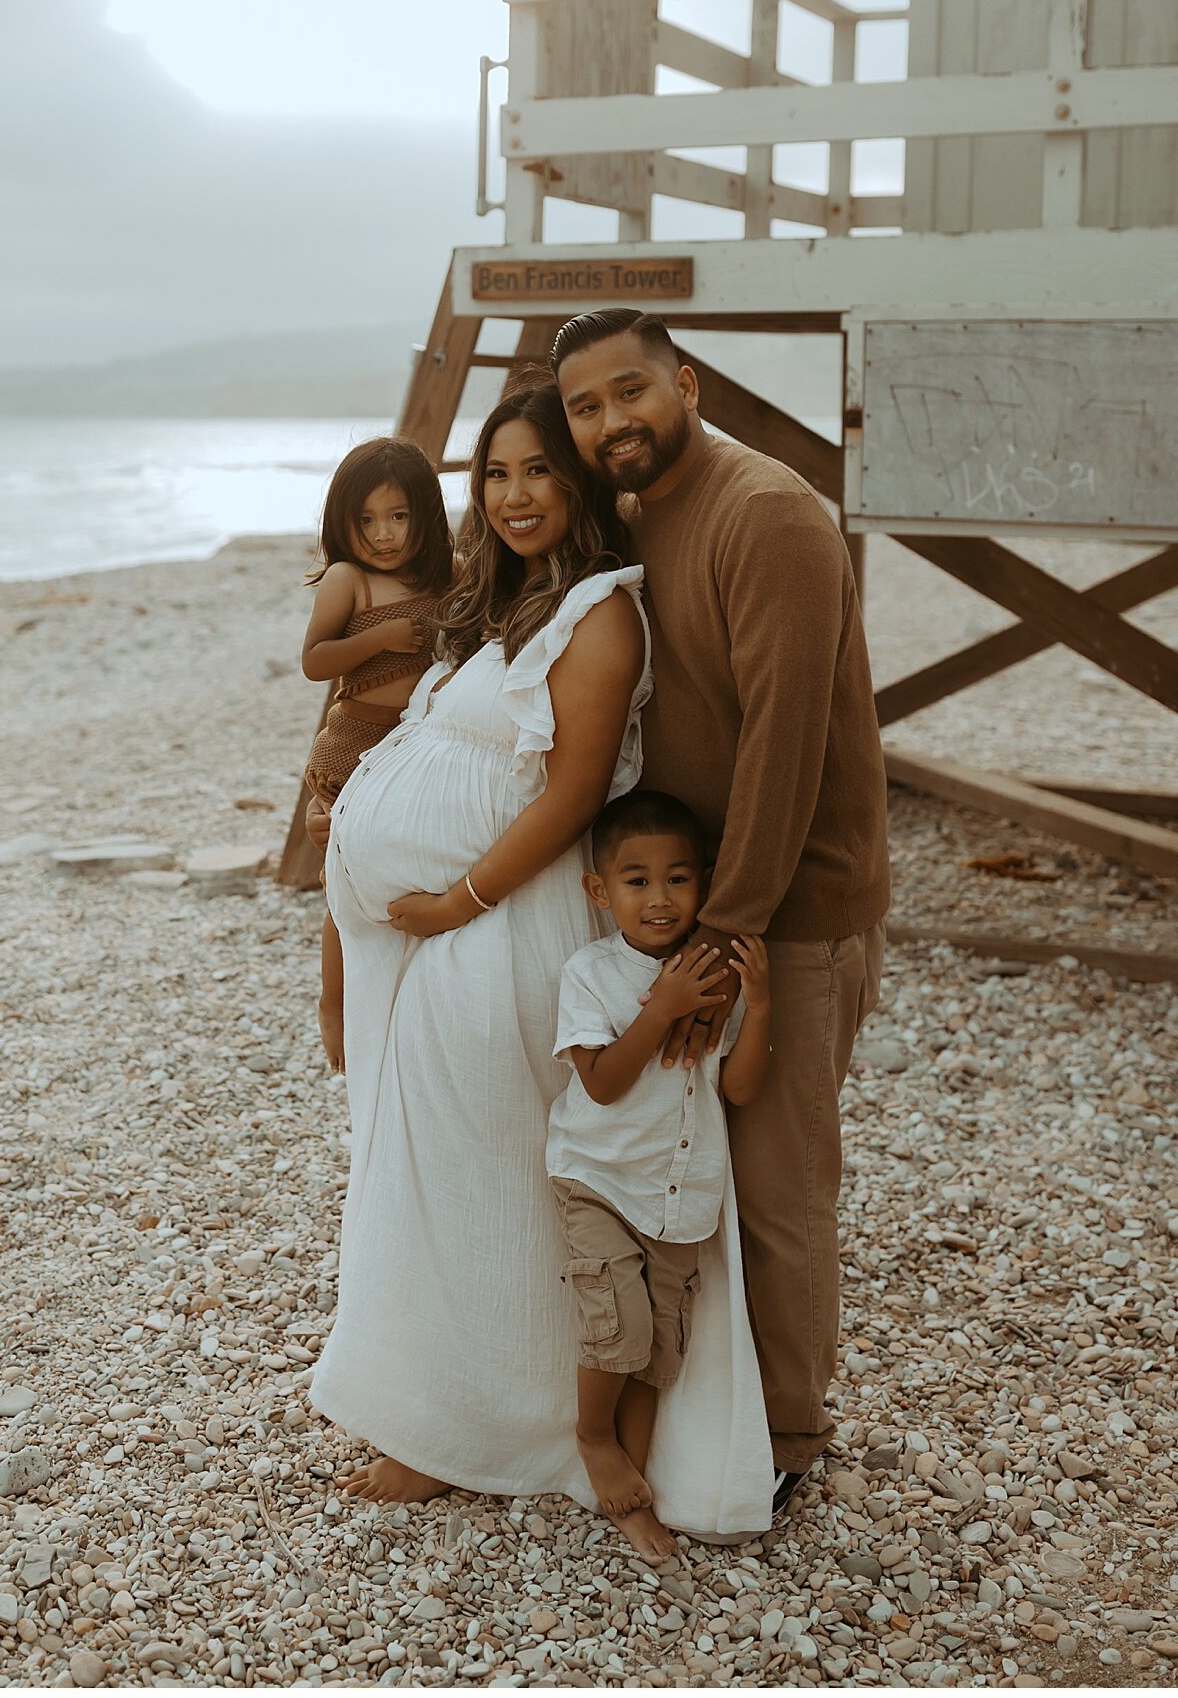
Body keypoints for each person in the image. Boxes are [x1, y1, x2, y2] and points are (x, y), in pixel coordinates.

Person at [308, 376, 775, 1559]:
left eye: (539, 470)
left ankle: (515, 1429)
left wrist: (455, 896)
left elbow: (570, 792)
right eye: (497, 472)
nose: (517, 494)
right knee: (446, 1177)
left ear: (579, 481)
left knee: (496, 1181)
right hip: (460, 927)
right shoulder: (511, 600)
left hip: (505, 927)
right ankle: (445, 1417)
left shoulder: (602, 612)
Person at [553, 308, 890, 1518]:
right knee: (711, 1170)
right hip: (699, 906)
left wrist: (719, 942)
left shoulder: (771, 515)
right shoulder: (647, 509)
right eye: (586, 408)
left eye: (630, 392)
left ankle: (790, 1433)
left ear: (686, 383)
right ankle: (726, 1413)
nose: (610, 423)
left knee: (780, 1181)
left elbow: (787, 748)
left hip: (783, 910)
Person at [548, 788, 773, 1544]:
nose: (659, 897)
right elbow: (603, 1084)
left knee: (655, 1354)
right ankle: (593, 1438)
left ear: (704, 883)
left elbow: (738, 1089)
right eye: (637, 880)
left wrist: (761, 1008)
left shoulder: (712, 975)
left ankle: (631, 1491)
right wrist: (662, 1008)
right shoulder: (590, 972)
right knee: (619, 1324)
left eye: (678, 878)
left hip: (682, 1196)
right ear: (599, 891)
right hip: (602, 1180)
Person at [300, 438, 453, 1075]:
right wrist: (384, 636)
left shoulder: (443, 577)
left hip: (413, 745)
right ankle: (332, 1004)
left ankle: (403, 993)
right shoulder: (350, 579)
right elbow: (314, 662)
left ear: (425, 515)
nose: (383, 535)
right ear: (344, 522)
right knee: (345, 882)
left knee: (404, 872)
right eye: (366, 521)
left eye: (398, 517)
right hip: (355, 744)